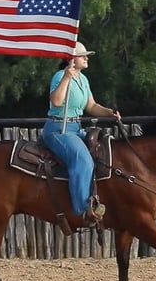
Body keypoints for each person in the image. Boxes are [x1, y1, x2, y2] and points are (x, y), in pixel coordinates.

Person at [41, 41, 122, 225]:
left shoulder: (83, 80)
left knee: (104, 152)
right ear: (72, 59)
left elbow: (91, 106)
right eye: (83, 55)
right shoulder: (60, 75)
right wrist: (66, 79)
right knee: (82, 159)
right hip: (58, 129)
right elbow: (56, 101)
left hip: (76, 128)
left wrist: (109, 113)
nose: (86, 58)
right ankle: (83, 209)